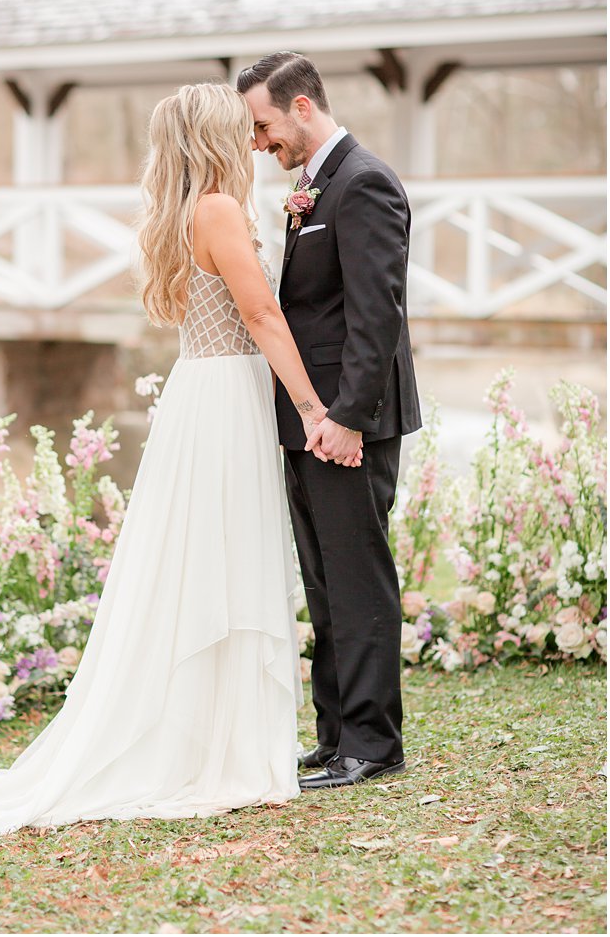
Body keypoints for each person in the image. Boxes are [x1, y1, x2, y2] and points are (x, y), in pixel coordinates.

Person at [0, 82, 342, 848]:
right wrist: (314, 407)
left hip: (204, 390)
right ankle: (221, 749)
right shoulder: (216, 208)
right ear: (214, 138)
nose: (252, 139)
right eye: (237, 128)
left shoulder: (184, 211)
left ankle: (218, 735)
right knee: (223, 557)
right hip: (225, 393)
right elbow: (261, 314)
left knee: (207, 561)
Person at [237, 51, 421, 789]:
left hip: (352, 423)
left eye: (263, 125)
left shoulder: (365, 182)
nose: (258, 143)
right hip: (309, 423)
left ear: (303, 107)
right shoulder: (313, 187)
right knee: (323, 582)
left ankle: (374, 742)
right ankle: (336, 732)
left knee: (357, 578)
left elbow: (377, 317)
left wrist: (346, 416)